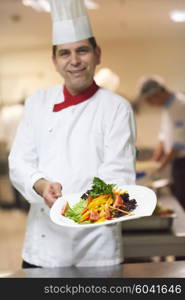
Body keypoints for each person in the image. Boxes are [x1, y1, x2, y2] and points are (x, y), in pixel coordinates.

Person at [8, 0, 136, 268]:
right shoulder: (38, 102)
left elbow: (117, 175)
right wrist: (41, 185)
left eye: (82, 51)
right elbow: (19, 161)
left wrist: (76, 211)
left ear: (97, 54)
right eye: (65, 53)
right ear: (54, 61)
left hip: (96, 248)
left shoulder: (116, 108)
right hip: (43, 248)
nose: (74, 61)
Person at [137, 77, 185, 210]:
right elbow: (164, 136)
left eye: (149, 100)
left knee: (183, 199)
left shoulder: (180, 105)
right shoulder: (168, 107)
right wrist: (154, 159)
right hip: (178, 162)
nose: (150, 104)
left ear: (157, 94)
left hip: (182, 162)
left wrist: (159, 166)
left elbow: (179, 143)